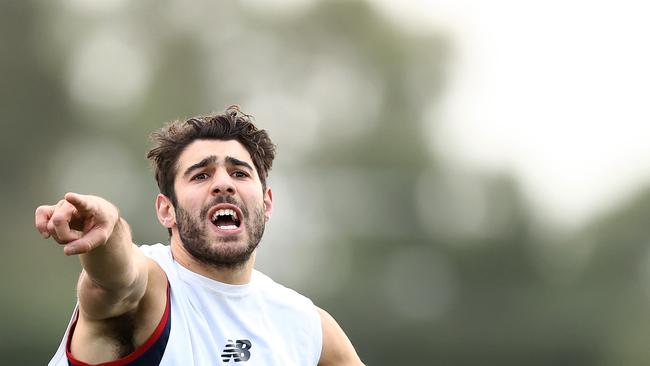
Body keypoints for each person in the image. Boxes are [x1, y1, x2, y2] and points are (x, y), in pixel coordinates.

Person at [37, 106, 365, 365]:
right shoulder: (151, 289)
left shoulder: (304, 326)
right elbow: (116, 279)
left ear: (266, 204)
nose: (223, 183)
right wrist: (107, 231)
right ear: (167, 210)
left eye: (239, 172)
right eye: (201, 175)